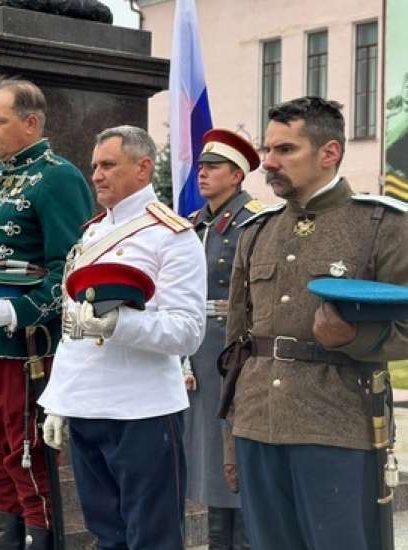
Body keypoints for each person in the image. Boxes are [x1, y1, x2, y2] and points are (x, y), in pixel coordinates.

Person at [224, 97, 408, 550]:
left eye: (285, 150)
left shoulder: (381, 225)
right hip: (256, 424)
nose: (268, 162)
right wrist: (232, 438)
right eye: (267, 150)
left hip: (337, 424)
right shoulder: (258, 231)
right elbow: (237, 347)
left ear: (328, 153)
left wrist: (356, 338)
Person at [0, 78, 93, 548]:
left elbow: (71, 268)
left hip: (24, 348)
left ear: (31, 123)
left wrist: (18, 310)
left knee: (26, 461)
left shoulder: (58, 177)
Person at [39, 125, 207, 550]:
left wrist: (117, 326)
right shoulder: (92, 233)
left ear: (143, 168)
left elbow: (187, 332)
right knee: (106, 534)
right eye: (95, 165)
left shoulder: (173, 235)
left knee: (153, 537)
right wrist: (59, 401)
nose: (96, 174)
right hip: (87, 405)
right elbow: (72, 328)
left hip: (142, 410)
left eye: (108, 165)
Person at [183, 129, 262, 550]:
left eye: (213, 168)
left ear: (237, 175)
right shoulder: (197, 223)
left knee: (232, 447)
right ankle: (218, 540)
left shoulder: (254, 220)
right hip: (197, 348)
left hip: (233, 350)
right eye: (200, 167)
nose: (203, 174)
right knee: (208, 452)